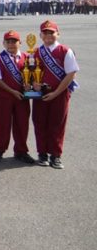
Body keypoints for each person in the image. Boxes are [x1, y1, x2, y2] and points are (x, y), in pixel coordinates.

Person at [31, 20, 79, 169]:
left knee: (57, 124)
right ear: (40, 35)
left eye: (51, 32)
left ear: (57, 34)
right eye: (45, 33)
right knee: (40, 123)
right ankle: (42, 154)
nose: (48, 35)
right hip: (41, 94)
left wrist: (57, 92)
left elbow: (71, 74)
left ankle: (56, 155)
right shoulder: (37, 52)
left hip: (60, 93)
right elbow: (30, 73)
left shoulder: (65, 51)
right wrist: (34, 84)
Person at [0, 30, 34, 163]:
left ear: (20, 43)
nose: (11, 44)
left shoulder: (28, 57)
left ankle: (21, 151)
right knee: (2, 124)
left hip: (22, 97)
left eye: (14, 41)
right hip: (5, 97)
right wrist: (12, 91)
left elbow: (33, 76)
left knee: (22, 124)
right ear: (3, 43)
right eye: (8, 42)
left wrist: (30, 86)